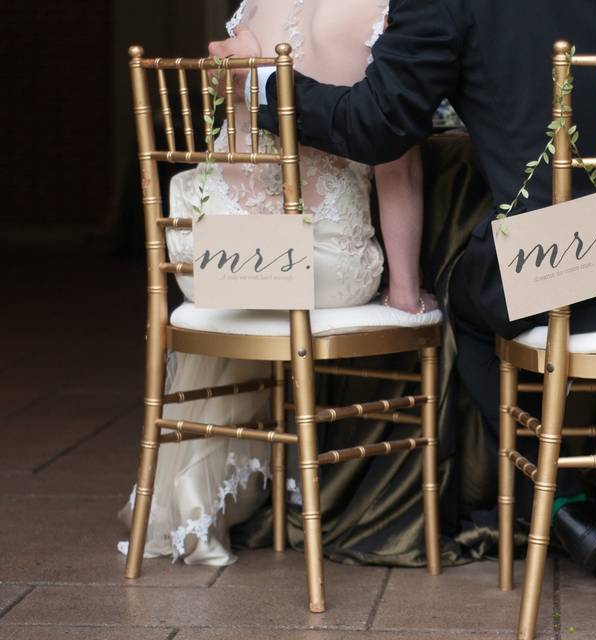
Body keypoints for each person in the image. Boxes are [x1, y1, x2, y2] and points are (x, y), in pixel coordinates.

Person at [232, 0, 596, 579]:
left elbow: (376, 125)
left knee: (470, 302)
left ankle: (563, 505)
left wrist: (262, 84)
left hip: (575, 248)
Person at [118, 0, 438, 566]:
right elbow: (398, 169)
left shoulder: (254, 10)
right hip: (304, 267)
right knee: (334, 270)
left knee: (251, 264)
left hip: (207, 260)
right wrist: (407, 295)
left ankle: (193, 505)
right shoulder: (382, 17)